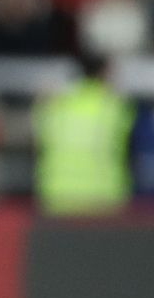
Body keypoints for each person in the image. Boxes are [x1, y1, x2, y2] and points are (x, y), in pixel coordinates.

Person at [34, 50, 134, 216]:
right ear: (106, 72)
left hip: (57, 196)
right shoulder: (116, 106)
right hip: (104, 197)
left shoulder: (53, 105)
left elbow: (37, 138)